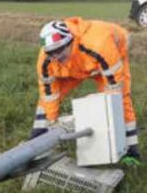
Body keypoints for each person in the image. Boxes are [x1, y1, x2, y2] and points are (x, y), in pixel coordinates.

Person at [30, 19, 141, 166]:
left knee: (120, 101)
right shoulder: (46, 60)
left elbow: (115, 89)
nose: (55, 56)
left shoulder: (99, 45)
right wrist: (51, 121)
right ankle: (36, 141)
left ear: (70, 42)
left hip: (111, 56)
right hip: (78, 64)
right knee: (45, 101)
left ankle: (131, 152)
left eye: (59, 51)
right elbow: (49, 94)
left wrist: (103, 106)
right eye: (51, 53)